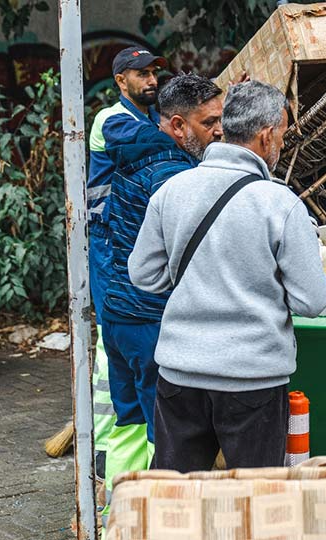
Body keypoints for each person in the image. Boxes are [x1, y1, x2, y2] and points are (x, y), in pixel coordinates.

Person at [128, 81, 326, 472]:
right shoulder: (280, 203)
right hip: (251, 380)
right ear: (267, 135)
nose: (283, 145)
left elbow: (143, 275)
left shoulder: (172, 191)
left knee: (176, 501)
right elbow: (312, 300)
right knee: (253, 503)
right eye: (283, 134)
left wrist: (194, 286)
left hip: (179, 375)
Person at [101, 74, 224, 492]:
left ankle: (114, 517)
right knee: (166, 436)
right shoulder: (172, 174)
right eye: (208, 123)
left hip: (118, 315)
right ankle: (155, 518)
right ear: (176, 125)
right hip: (149, 319)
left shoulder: (135, 154)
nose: (220, 131)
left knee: (128, 424)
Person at [86, 46, 166, 486]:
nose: (151, 80)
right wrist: (185, 132)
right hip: (108, 243)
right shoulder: (110, 121)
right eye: (142, 74)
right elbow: (144, 147)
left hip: (133, 244)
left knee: (120, 350)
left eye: (155, 72)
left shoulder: (154, 122)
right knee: (113, 340)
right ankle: (103, 452)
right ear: (121, 80)